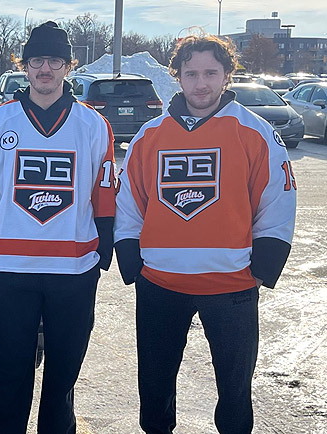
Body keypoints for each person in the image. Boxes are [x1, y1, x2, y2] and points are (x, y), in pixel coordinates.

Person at [114, 34, 296, 434]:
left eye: (211, 73)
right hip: (161, 282)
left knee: (234, 393)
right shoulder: (150, 135)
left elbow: (277, 199)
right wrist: (132, 260)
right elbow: (129, 200)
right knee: (155, 386)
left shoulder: (255, 131)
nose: (201, 83)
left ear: (227, 75)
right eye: (191, 73)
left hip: (232, 285)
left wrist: (263, 266)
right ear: (176, 76)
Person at [0, 21, 116, 434]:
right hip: (8, 272)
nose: (44, 69)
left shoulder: (93, 125)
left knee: (62, 377)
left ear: (68, 66)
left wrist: (106, 239)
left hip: (73, 271)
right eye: (36, 61)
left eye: (54, 61)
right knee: (7, 375)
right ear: (24, 66)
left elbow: (104, 188)